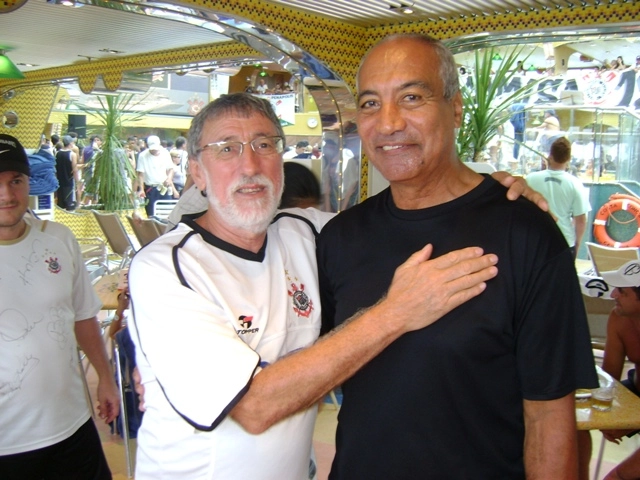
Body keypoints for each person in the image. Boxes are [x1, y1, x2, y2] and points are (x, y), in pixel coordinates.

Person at [128, 92, 501, 479]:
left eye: (265, 144)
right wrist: (395, 314)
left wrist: (489, 194)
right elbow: (255, 407)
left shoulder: (306, 231)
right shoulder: (167, 267)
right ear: (198, 172)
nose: (250, 164)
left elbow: (406, 224)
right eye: (226, 149)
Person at [316, 33, 598, 479]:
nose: (388, 123)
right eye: (370, 103)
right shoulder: (339, 237)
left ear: (457, 108)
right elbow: (316, 369)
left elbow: (548, 418)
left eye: (411, 97)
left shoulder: (525, 234)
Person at [0, 134, 120, 479]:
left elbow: (83, 316)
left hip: (71, 425)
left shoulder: (59, 239)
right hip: (7, 442)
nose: (7, 195)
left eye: (15, 181)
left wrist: (107, 379)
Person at [578, 260, 640, 480]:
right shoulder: (619, 318)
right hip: (635, 389)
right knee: (572, 425)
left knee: (618, 477)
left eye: (622, 292)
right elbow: (608, 378)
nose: (613, 295)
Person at [526, 136, 591, 258]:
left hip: (535, 241)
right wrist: (577, 244)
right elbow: (581, 219)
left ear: (550, 156)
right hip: (564, 241)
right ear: (569, 159)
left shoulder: (530, 179)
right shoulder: (575, 184)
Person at [134, 135, 174, 217]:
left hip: (164, 187)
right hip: (150, 188)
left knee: (166, 213)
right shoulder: (143, 155)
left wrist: (169, 178)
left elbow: (171, 169)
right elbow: (140, 174)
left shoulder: (165, 153)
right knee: (151, 214)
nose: (154, 151)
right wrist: (141, 189)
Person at [54, 134, 78, 210]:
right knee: (70, 204)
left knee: (60, 204)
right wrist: (78, 181)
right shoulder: (72, 154)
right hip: (69, 182)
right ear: (71, 143)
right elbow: (75, 169)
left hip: (59, 181)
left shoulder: (57, 153)